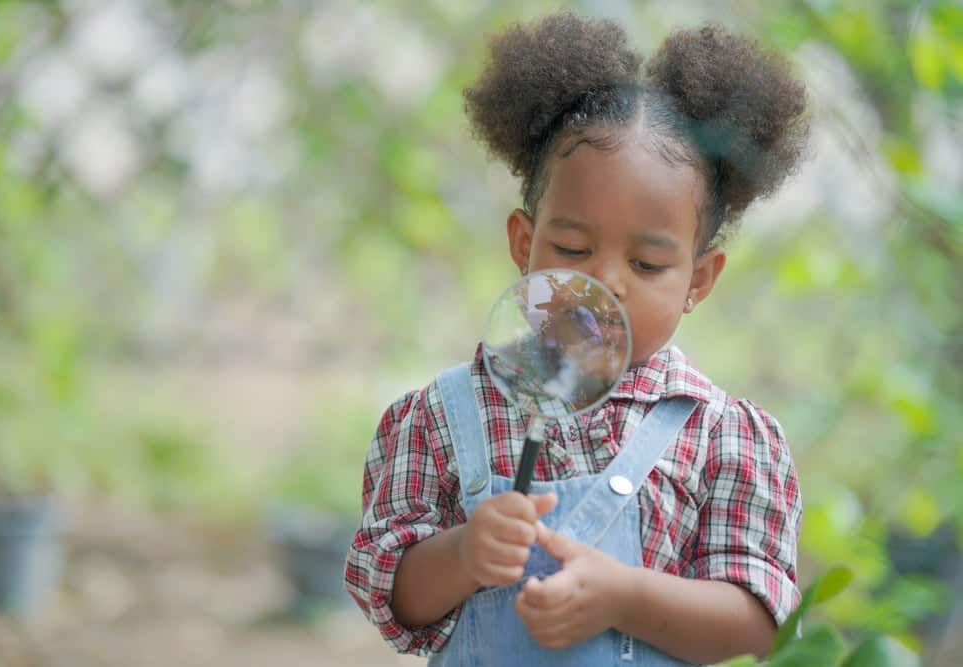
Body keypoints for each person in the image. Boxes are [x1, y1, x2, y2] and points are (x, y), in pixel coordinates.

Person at [345, 12, 807, 666]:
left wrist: (626, 598)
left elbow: (760, 623)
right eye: (571, 247)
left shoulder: (723, 436)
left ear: (698, 280)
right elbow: (389, 594)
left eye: (647, 265)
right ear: (523, 243)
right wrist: (463, 553)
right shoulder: (441, 418)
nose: (606, 280)